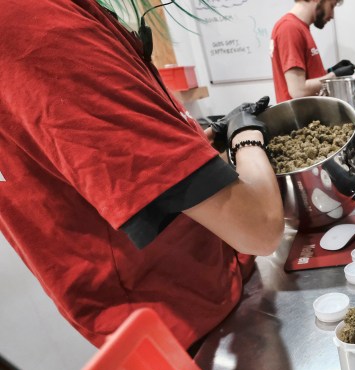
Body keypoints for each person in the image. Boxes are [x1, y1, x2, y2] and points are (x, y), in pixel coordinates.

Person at [0, 0, 285, 350]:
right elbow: (259, 227)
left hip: (208, 292)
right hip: (187, 324)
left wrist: (195, 142)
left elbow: (100, 159)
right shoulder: (32, 23)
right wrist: (247, 136)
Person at [270, 0, 355, 102]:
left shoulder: (300, 27)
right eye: (331, 6)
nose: (332, 15)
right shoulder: (290, 28)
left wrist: (331, 71)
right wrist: (334, 76)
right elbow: (298, 90)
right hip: (301, 117)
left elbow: (307, 77)